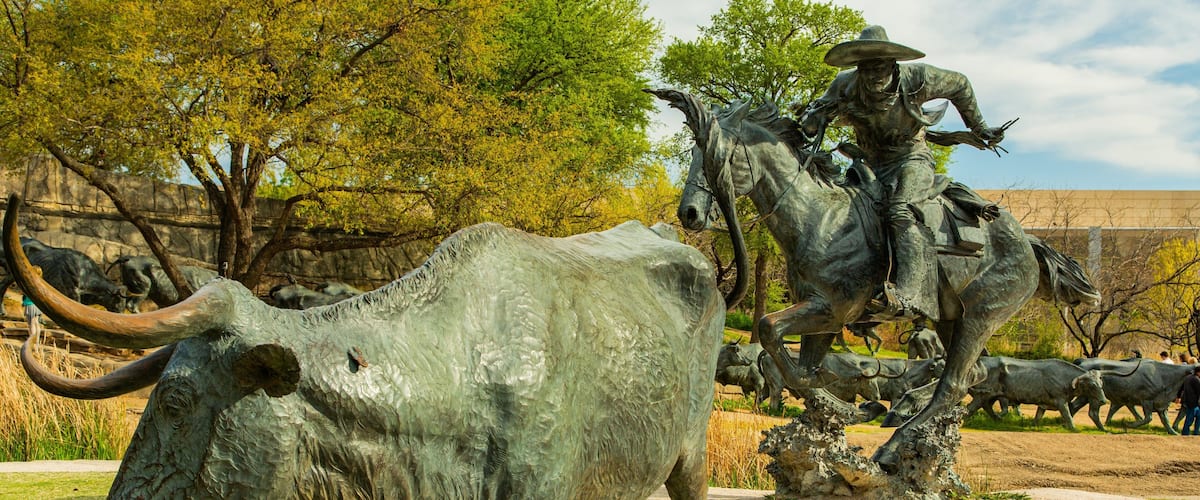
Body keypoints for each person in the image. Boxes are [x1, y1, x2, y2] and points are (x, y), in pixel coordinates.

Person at [795, 25, 1007, 320]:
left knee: (900, 209)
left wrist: (979, 126)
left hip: (911, 159)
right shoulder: (845, 84)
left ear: (892, 64)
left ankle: (910, 293)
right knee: (838, 210)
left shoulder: (918, 77)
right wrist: (812, 119)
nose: (873, 75)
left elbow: (959, 84)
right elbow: (812, 123)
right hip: (869, 163)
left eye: (879, 67)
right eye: (867, 69)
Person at [1175, 364, 1200, 436]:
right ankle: (1191, 432)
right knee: (1192, 419)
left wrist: (1178, 397)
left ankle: (1189, 432)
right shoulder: (1196, 380)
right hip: (1194, 403)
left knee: (1191, 418)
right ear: (1198, 372)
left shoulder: (1187, 377)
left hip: (1186, 401)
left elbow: (1181, 388)